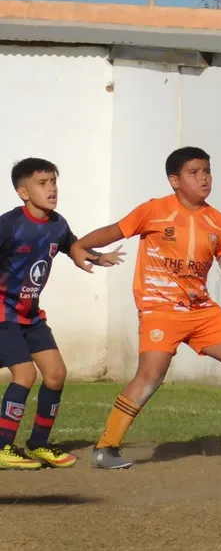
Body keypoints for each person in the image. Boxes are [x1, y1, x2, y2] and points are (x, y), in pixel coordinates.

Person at [72, 147, 221, 469]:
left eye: (207, 171)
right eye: (194, 172)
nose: (204, 178)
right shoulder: (153, 211)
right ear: (174, 180)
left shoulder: (218, 222)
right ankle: (105, 448)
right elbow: (114, 231)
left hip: (202, 311)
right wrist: (80, 246)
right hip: (160, 310)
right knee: (150, 376)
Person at [0, 158, 121, 469]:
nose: (52, 188)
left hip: (31, 316)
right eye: (43, 183)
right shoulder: (9, 225)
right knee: (25, 374)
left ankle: (39, 444)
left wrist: (98, 256)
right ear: (22, 192)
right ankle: (2, 447)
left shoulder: (58, 224)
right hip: (3, 315)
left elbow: (73, 246)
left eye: (53, 181)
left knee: (55, 374)